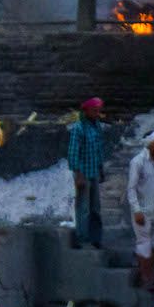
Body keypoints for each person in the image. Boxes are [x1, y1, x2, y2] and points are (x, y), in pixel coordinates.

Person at [127, 131, 154, 288]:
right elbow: (131, 189)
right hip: (143, 210)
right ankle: (147, 278)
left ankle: (146, 273)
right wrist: (136, 210)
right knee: (144, 243)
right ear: (149, 144)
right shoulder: (137, 162)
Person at [63, 97, 106, 248]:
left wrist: (101, 169)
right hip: (83, 173)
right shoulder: (78, 128)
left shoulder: (97, 127)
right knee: (83, 208)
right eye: (94, 111)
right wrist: (78, 175)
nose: (97, 113)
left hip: (94, 171)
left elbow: (99, 149)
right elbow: (73, 153)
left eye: (98, 111)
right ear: (86, 111)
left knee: (95, 208)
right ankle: (83, 238)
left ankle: (96, 238)